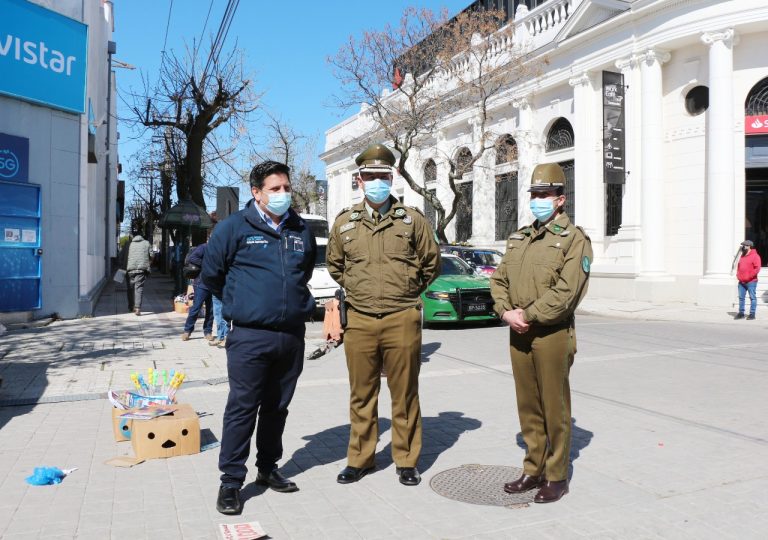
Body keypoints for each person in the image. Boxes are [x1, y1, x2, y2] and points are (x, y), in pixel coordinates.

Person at [201, 160, 316, 515]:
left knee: (277, 408)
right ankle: (231, 482)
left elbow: (305, 271)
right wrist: (244, 305)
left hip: (291, 336)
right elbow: (212, 275)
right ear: (256, 192)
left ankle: (267, 468)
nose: (283, 195)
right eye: (275, 189)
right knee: (242, 408)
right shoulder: (234, 228)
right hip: (249, 336)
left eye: (286, 188)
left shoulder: (300, 229)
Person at [326, 143, 441, 487]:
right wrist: (359, 288)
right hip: (359, 318)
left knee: (405, 392)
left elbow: (431, 262)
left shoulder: (413, 220)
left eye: (382, 175)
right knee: (361, 393)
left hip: (401, 316)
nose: (376, 181)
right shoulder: (345, 223)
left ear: (391, 178)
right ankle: (360, 459)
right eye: (370, 175)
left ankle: (406, 460)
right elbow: (335, 265)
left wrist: (406, 290)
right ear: (359, 180)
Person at [490, 163, 592, 504]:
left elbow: (567, 293)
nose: (537, 200)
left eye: (544, 195)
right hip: (518, 333)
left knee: (554, 407)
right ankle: (532, 468)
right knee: (528, 405)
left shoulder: (574, 240)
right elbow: (499, 279)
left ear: (560, 200)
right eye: (533, 194)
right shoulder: (519, 237)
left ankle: (556, 475)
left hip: (551, 334)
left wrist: (528, 314)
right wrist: (505, 311)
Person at [181, 242, 213, 341]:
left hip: (215, 285)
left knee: (211, 310)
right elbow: (192, 258)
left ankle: (208, 331)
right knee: (196, 308)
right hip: (201, 284)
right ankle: (187, 331)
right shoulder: (204, 247)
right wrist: (206, 264)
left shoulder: (221, 249)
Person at [124, 231, 152, 316]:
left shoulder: (128, 244)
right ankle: (137, 308)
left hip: (129, 270)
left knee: (130, 288)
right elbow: (152, 255)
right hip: (141, 270)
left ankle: (131, 306)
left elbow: (122, 256)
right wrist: (149, 263)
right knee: (138, 288)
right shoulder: (146, 243)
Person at [735, 240, 761, 320]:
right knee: (741, 298)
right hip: (741, 282)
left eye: (745, 245)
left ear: (749, 246)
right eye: (743, 245)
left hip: (751, 281)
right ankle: (741, 313)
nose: (743, 247)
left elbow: (757, 268)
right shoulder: (742, 256)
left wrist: (749, 276)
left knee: (752, 298)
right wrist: (738, 275)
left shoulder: (755, 256)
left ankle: (752, 314)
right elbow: (739, 267)